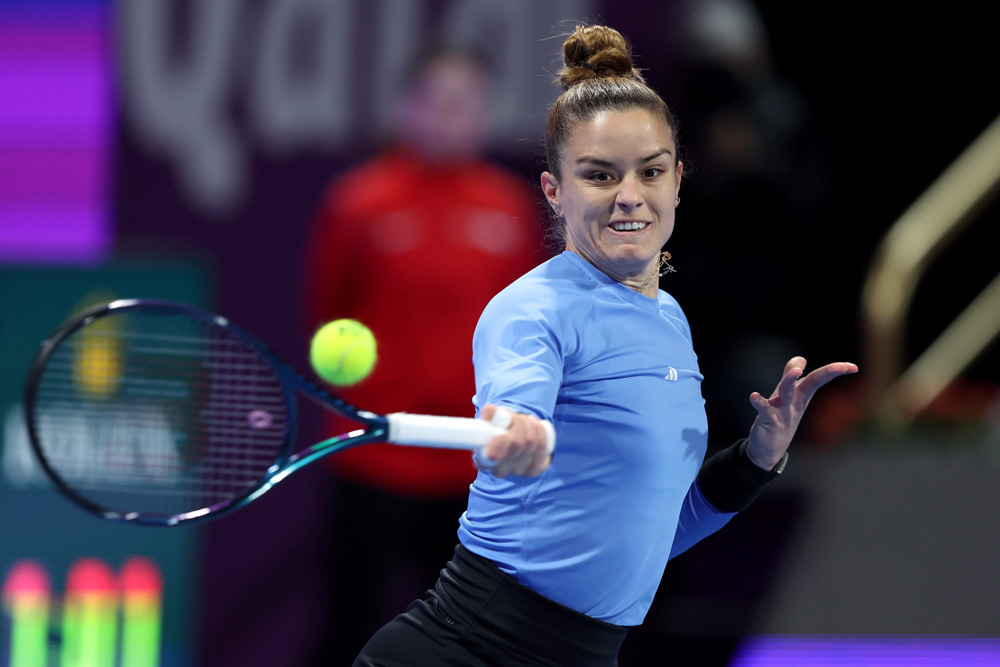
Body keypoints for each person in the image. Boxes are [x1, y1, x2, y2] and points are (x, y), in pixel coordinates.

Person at [355, 24, 857, 667]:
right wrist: (515, 431)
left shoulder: (670, 319)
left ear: (678, 181)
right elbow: (513, 403)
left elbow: (654, 534)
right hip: (467, 652)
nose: (629, 195)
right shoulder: (530, 310)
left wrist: (757, 460)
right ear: (555, 192)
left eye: (650, 171)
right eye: (599, 175)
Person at [302, 46, 545, 665]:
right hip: (375, 454)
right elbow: (329, 310)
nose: (449, 116)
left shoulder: (510, 208)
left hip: (473, 463)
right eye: (436, 100)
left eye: (465, 102)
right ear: (406, 108)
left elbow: (525, 333)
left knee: (469, 640)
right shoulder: (357, 202)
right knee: (349, 625)